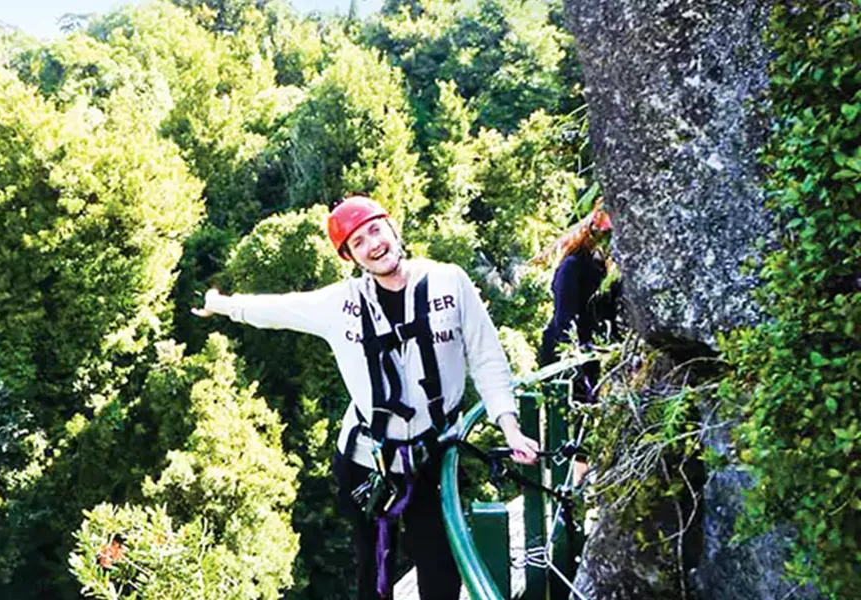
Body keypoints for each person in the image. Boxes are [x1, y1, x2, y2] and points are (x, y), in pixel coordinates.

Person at [192, 194, 538, 600]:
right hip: (366, 460)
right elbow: (277, 310)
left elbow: (486, 357)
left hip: (432, 457)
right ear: (350, 257)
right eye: (358, 242)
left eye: (376, 230)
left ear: (393, 228)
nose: (373, 244)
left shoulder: (450, 282)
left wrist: (509, 428)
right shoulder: (340, 304)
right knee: (374, 572)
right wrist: (222, 304)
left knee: (440, 572)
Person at [534, 202, 620, 402]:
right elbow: (565, 318)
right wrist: (575, 363)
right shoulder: (573, 266)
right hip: (566, 353)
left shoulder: (605, 270)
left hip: (591, 353)